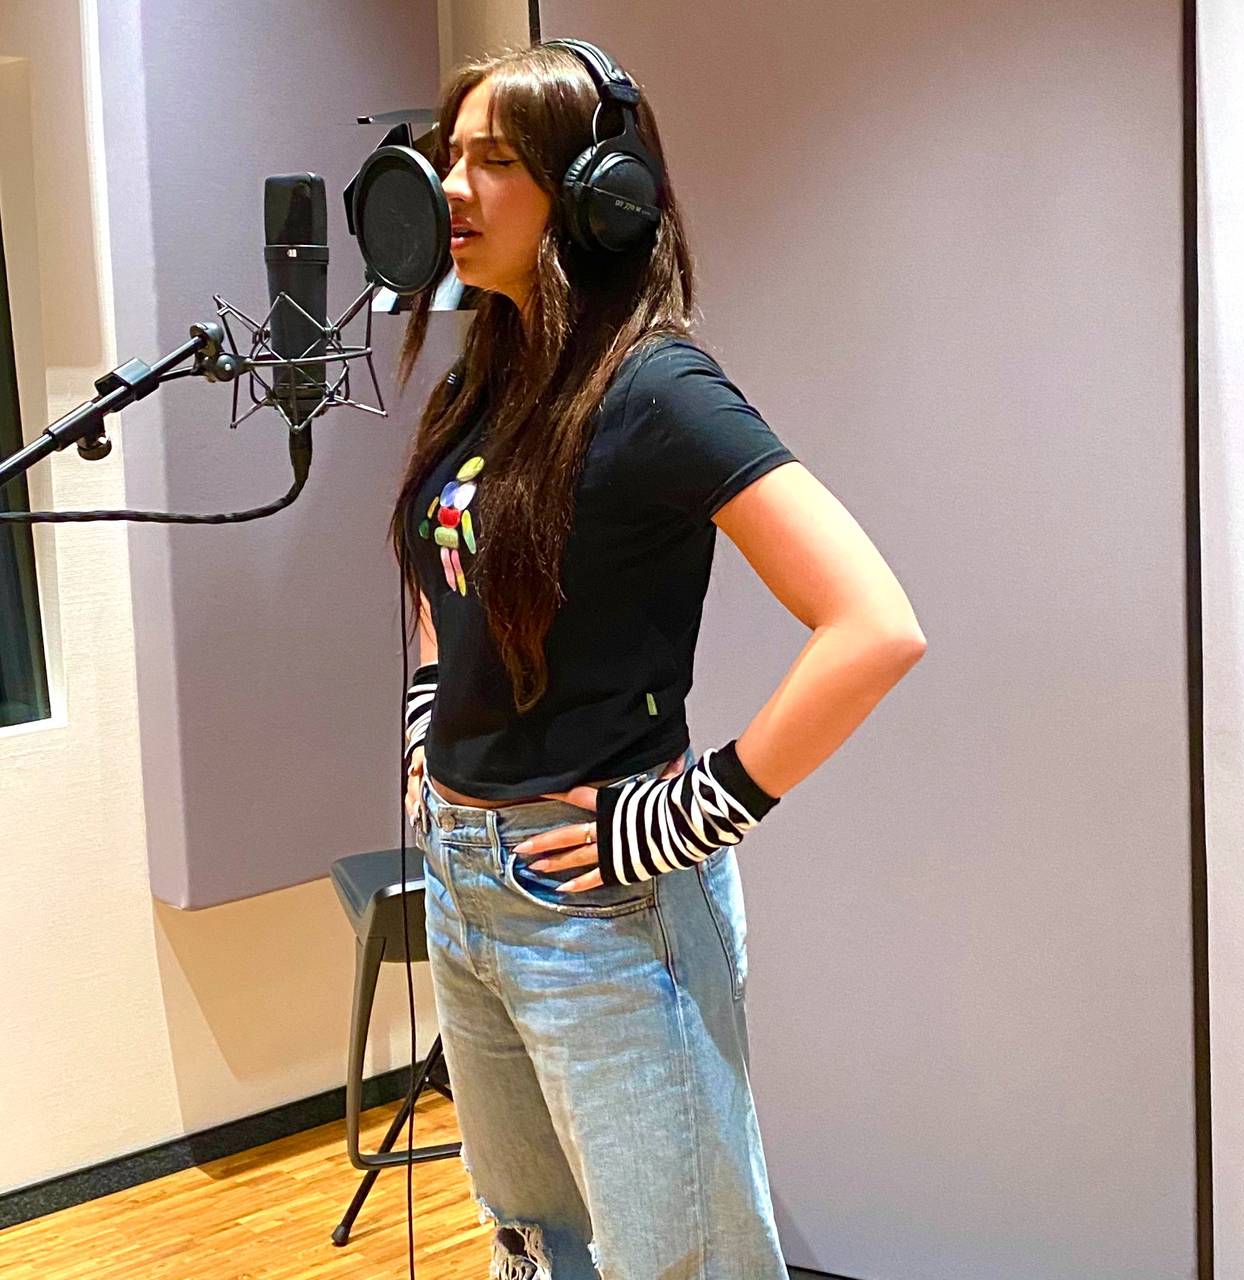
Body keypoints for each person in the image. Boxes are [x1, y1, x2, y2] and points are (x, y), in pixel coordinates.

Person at [386, 40, 927, 1280]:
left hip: (598, 909)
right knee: (533, 1237)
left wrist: (686, 815)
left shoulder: (655, 388)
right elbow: (440, 566)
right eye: (448, 156)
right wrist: (429, 729)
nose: (450, 188)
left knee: (678, 1259)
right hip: (464, 878)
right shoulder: (486, 378)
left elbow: (872, 622)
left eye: (493, 161)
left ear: (596, 196)